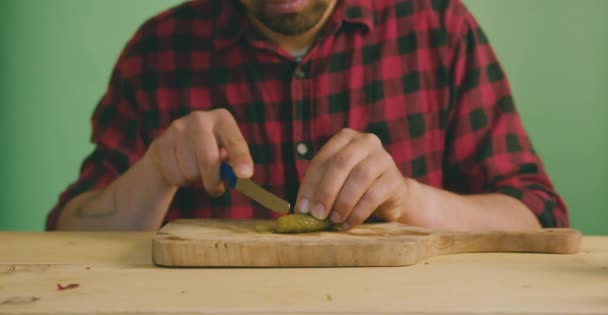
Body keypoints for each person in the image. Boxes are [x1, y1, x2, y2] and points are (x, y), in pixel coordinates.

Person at [47, 0, 568, 231]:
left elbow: (538, 216)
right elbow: (68, 232)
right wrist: (156, 170)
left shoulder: (438, 27)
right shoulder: (159, 49)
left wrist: (407, 200)